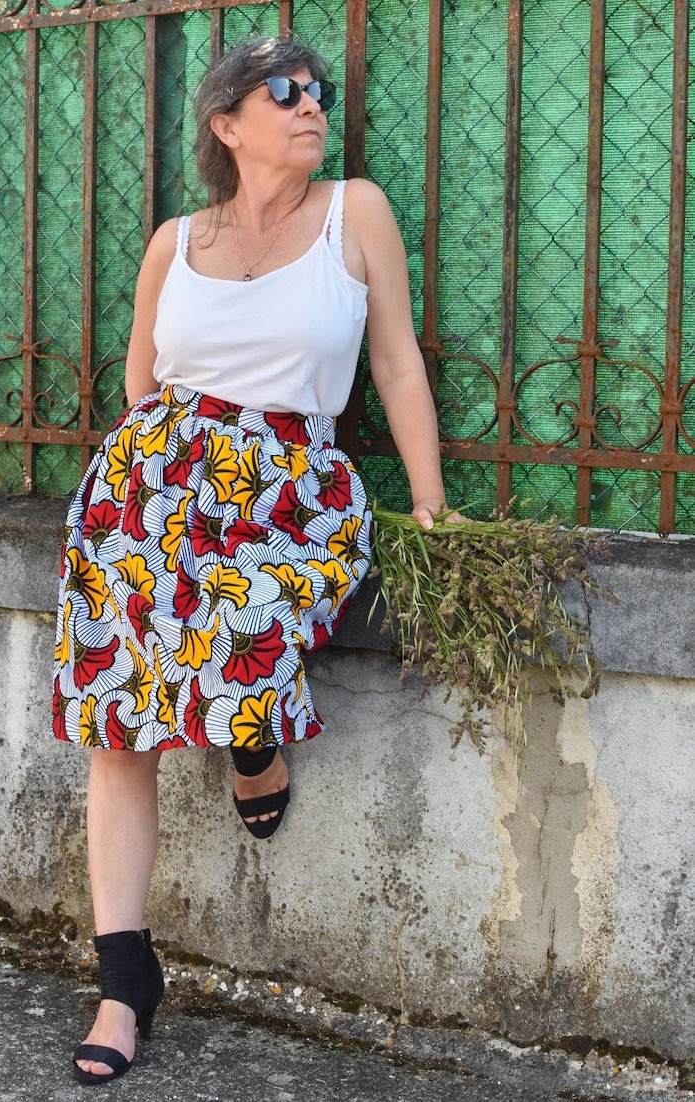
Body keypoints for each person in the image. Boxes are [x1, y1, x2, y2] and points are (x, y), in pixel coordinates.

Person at [51, 34, 463, 1086]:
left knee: (248, 638)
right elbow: (142, 378)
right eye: (282, 92)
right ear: (226, 124)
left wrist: (428, 501)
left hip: (289, 485)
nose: (309, 103)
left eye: (316, 90)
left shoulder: (354, 213)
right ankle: (123, 980)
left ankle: (252, 738)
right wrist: (162, 478)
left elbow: (393, 360)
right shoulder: (175, 240)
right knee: (120, 724)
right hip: (154, 482)